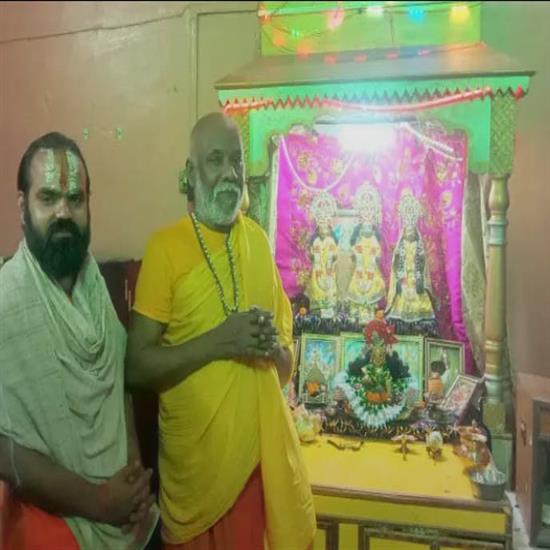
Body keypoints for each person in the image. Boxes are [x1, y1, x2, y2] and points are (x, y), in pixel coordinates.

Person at [126, 113, 316, 550]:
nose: (230, 172)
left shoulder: (258, 243)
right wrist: (220, 341)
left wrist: (273, 351)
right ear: (190, 172)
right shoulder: (164, 248)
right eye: (215, 160)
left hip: (255, 475)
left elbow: (284, 366)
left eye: (236, 160)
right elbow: (136, 368)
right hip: (193, 474)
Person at [0, 132, 159, 549]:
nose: (63, 212)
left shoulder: (96, 289)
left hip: (126, 519)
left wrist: (133, 477)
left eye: (75, 198)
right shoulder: (6, 301)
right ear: (22, 207)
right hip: (44, 528)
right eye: (48, 198)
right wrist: (99, 502)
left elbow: (118, 388)